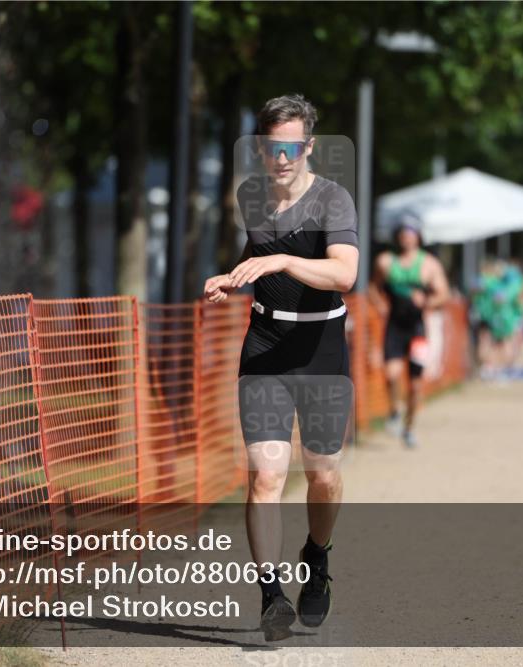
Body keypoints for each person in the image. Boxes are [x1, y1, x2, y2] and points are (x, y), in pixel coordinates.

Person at [202, 94, 358, 641]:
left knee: (323, 473)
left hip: (321, 350)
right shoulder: (252, 197)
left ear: (309, 146)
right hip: (266, 346)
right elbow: (259, 262)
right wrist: (231, 278)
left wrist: (285, 260)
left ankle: (317, 557)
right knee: (266, 475)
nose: (282, 157)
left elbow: (344, 275)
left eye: (292, 147)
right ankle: (271, 595)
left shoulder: (333, 201)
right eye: (273, 147)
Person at [370, 217, 450, 448]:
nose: (406, 237)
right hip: (394, 327)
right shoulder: (385, 261)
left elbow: (443, 294)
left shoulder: (429, 265)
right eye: (403, 233)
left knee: (415, 386)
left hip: (417, 330)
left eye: (411, 232)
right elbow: (374, 287)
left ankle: (409, 427)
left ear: (418, 237)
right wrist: (380, 303)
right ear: (397, 236)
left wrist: (427, 300)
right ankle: (395, 410)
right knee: (391, 374)